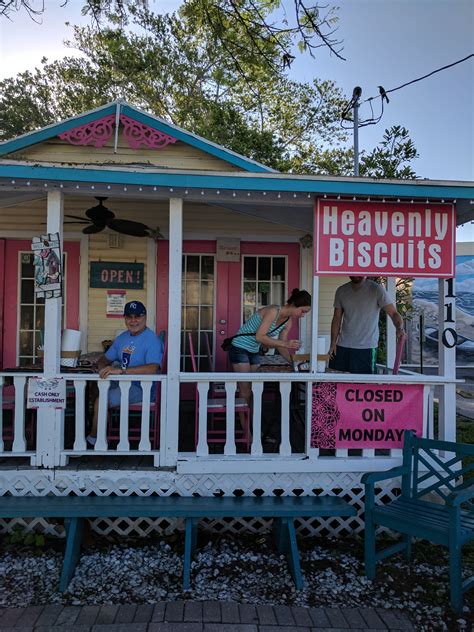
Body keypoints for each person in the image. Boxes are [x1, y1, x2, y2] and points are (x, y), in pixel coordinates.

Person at [87, 300, 163, 445]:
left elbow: (152, 368)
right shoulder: (122, 338)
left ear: (145, 317)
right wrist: (102, 367)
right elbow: (105, 358)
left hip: (142, 387)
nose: (133, 321)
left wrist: (121, 371)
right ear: (125, 319)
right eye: (129, 317)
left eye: (137, 316)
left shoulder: (152, 339)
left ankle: (93, 439)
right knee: (95, 388)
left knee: (101, 398)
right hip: (123, 383)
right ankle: (102, 429)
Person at [228, 288, 312, 405]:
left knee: (254, 388)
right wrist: (285, 343)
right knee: (245, 389)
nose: (303, 315)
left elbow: (281, 346)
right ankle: (245, 423)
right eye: (302, 311)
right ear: (294, 305)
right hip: (239, 348)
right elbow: (260, 337)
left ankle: (252, 419)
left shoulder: (288, 322)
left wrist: (293, 363)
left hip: (253, 350)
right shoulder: (273, 311)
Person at [328, 276, 404, 375]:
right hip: (343, 345)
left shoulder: (376, 289)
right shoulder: (341, 291)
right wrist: (333, 343)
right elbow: (337, 318)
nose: (356, 274)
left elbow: (393, 313)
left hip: (367, 347)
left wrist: (399, 328)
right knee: (337, 381)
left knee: (365, 383)